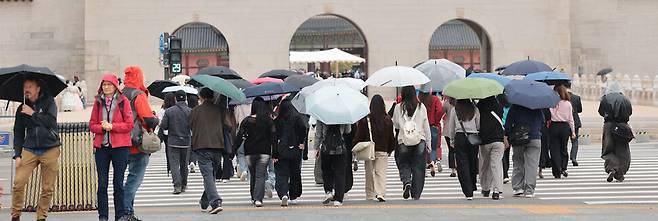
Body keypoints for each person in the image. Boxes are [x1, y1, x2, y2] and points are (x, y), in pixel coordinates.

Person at [11, 77, 61, 221]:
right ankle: (15, 214)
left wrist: (32, 113)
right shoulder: (22, 108)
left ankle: (41, 217)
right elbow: (18, 132)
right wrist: (17, 154)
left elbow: (51, 122)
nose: (26, 89)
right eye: (25, 87)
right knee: (18, 182)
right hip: (30, 148)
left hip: (50, 148)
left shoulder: (49, 101)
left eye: (30, 86)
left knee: (47, 188)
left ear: (38, 88)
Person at [89, 73, 133, 221]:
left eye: (109, 84)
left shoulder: (123, 101)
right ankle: (103, 216)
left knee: (118, 183)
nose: (106, 87)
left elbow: (129, 125)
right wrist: (102, 128)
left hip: (120, 147)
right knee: (102, 183)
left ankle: (119, 215)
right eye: (104, 84)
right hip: (102, 147)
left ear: (115, 86)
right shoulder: (97, 102)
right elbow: (92, 125)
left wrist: (112, 126)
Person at [121, 66, 159, 221]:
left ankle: (125, 210)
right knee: (134, 179)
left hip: (121, 143)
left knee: (123, 179)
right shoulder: (138, 95)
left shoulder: (120, 94)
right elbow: (147, 119)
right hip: (137, 145)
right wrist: (155, 118)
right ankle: (126, 212)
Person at [232, 97, 276, 207]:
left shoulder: (246, 121)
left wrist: (233, 150)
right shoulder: (268, 121)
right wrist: (275, 152)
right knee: (260, 176)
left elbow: (240, 137)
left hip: (250, 152)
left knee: (253, 175)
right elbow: (274, 138)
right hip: (264, 152)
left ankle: (253, 197)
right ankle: (258, 199)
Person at [353, 95, 395, 202]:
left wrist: (355, 146)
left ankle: (370, 194)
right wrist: (390, 149)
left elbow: (359, 136)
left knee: (369, 173)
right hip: (383, 149)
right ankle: (380, 193)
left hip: (369, 150)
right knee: (380, 172)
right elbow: (391, 137)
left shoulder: (365, 119)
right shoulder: (387, 120)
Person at [190, 88, 226, 214]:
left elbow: (189, 126)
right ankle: (204, 201)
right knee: (211, 176)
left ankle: (215, 201)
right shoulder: (220, 110)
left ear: (201, 97)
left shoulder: (195, 111)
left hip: (201, 146)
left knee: (208, 176)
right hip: (217, 146)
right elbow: (229, 126)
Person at [392, 86, 431, 200]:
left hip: (403, 140)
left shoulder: (398, 107)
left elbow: (396, 124)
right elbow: (426, 126)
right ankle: (416, 193)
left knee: (404, 163)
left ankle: (406, 182)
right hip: (419, 140)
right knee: (419, 167)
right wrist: (428, 142)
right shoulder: (421, 107)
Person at [505, 104, 545, 198]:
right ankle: (529, 190)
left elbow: (508, 123)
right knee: (532, 164)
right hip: (534, 137)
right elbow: (542, 122)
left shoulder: (515, 107)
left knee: (518, 161)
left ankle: (518, 187)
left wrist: (507, 134)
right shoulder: (537, 108)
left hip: (518, 137)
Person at [273, 99, 307, 206]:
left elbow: (274, 138)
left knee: (282, 173)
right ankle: (293, 195)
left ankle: (283, 193)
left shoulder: (277, 120)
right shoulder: (297, 118)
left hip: (282, 149)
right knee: (295, 173)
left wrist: (274, 154)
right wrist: (301, 142)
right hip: (295, 149)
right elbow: (303, 128)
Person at [446, 99, 480, 200]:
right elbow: (478, 125)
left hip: (460, 136)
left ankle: (468, 191)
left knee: (462, 164)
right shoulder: (475, 109)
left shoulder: (455, 110)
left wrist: (452, 139)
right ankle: (472, 184)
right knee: (472, 161)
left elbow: (451, 127)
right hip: (473, 137)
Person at [599, 83, 633, 182]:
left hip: (608, 126)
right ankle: (620, 173)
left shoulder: (604, 98)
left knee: (608, 148)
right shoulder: (625, 99)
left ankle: (611, 168)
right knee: (623, 150)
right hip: (622, 126)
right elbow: (629, 112)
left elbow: (601, 112)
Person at [160, 90, 192, 194]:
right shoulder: (190, 111)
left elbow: (164, 126)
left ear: (175, 98)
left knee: (174, 164)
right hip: (186, 141)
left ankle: (177, 185)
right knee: (184, 164)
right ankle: (184, 184)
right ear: (185, 98)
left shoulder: (169, 111)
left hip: (173, 141)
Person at [315, 120, 351, 206]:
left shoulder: (321, 113)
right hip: (340, 148)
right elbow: (348, 130)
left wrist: (316, 148)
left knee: (327, 171)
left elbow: (318, 133)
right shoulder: (344, 114)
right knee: (340, 173)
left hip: (326, 148)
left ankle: (328, 192)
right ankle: (338, 199)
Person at [477, 96, 505, 200]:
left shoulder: (479, 107)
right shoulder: (499, 106)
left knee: (485, 165)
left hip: (485, 140)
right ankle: (497, 190)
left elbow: (478, 123)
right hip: (498, 139)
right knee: (496, 165)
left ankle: (485, 188)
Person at [548, 85, 576, 179]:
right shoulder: (568, 104)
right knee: (563, 148)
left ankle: (557, 170)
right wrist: (573, 131)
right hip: (564, 127)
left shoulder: (552, 103)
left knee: (554, 149)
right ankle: (563, 167)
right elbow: (570, 119)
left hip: (554, 126)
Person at [419, 91, 444, 177]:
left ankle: (425, 167)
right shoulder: (435, 99)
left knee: (423, 148)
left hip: (422, 126)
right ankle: (433, 162)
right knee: (433, 147)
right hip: (433, 125)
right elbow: (440, 110)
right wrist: (436, 121)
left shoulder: (419, 100)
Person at [157, 93, 175, 177]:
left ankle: (170, 167)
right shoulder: (175, 109)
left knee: (168, 151)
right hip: (175, 133)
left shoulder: (162, 110)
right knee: (175, 151)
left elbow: (160, 123)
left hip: (165, 133)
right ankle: (174, 166)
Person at [566, 83, 583, 166]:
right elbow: (580, 110)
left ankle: (564, 158)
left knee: (564, 142)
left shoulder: (560, 97)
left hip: (564, 122)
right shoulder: (576, 97)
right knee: (575, 141)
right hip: (575, 120)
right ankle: (573, 157)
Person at [442, 96, 458, 177]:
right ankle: (459, 166)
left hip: (448, 129)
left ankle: (453, 170)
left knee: (451, 150)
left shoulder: (447, 103)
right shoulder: (460, 102)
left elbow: (440, 113)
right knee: (459, 151)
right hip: (458, 129)